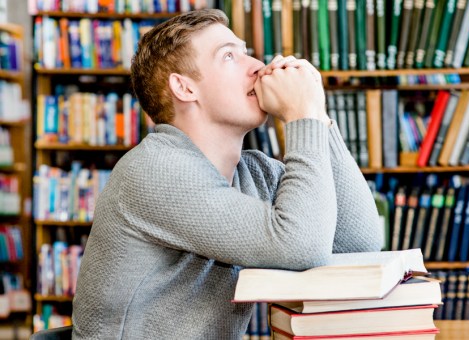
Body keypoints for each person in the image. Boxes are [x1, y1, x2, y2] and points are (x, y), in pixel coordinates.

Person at [72, 8, 382, 339]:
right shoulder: (154, 169)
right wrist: (300, 117)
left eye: (247, 52)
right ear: (184, 87)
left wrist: (317, 116)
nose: (258, 67)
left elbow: (358, 242)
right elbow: (300, 246)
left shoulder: (253, 172)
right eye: (230, 56)